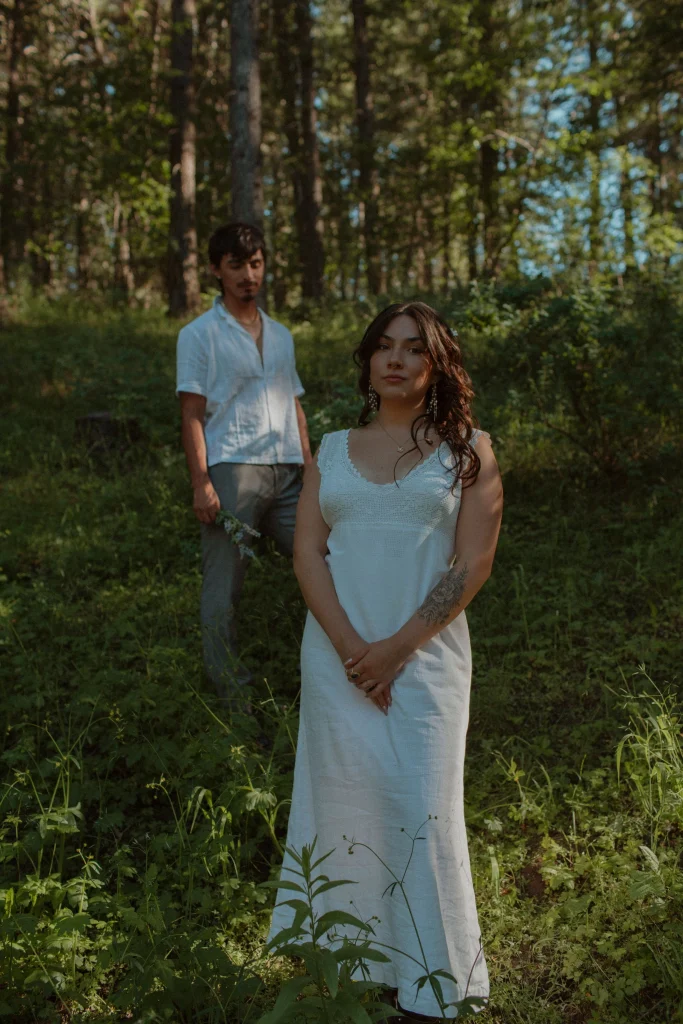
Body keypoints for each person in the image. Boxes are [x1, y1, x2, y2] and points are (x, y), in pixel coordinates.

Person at [266, 301, 503, 1020]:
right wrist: (352, 653)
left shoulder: (470, 451)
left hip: (426, 664)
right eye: (384, 347)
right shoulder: (332, 448)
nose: (396, 359)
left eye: (414, 349)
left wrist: (395, 652)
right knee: (345, 808)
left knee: (421, 809)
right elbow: (308, 553)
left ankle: (430, 986)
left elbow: (472, 563)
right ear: (368, 361)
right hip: (335, 663)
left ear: (438, 365)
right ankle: (353, 973)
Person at [176, 222, 312, 700]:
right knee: (223, 591)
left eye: (255, 264)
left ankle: (336, 675)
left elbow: (293, 403)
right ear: (217, 269)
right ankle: (234, 703)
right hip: (233, 471)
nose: (248, 275)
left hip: (289, 475)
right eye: (236, 265)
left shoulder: (281, 335)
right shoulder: (199, 335)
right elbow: (191, 414)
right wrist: (201, 482)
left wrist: (310, 467)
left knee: (329, 562)